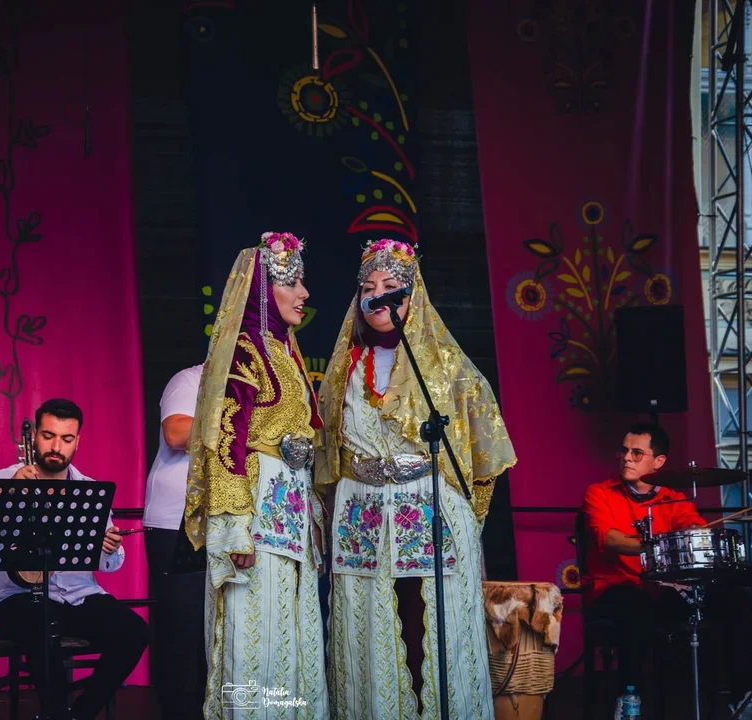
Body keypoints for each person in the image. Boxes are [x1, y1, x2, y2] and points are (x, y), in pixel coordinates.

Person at [315, 238, 516, 720]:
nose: (377, 297)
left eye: (390, 287)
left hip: (427, 506)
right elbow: (327, 455)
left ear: (412, 296)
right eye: (368, 288)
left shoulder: (447, 367)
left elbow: (483, 456)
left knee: (428, 627)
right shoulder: (343, 370)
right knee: (371, 629)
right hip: (361, 511)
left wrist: (470, 523)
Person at [184, 232, 328, 718]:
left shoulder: (285, 351)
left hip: (288, 508)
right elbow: (226, 439)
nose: (304, 293)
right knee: (254, 633)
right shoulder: (245, 350)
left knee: (291, 631)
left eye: (302, 282)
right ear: (263, 291)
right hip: (255, 510)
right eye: (292, 283)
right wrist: (233, 527)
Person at [0, 398, 149, 720]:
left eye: (66, 438)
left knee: (134, 631)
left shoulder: (89, 489)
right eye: (48, 436)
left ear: (78, 441)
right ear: (34, 435)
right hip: (17, 599)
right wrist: (7, 494)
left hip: (79, 596)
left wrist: (109, 548)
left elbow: (112, 565)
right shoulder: (0, 480)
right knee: (42, 628)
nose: (56, 447)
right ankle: (57, 713)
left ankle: (80, 714)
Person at [582, 421, 752, 720]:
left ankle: (742, 700)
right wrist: (657, 547)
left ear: (659, 461)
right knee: (634, 606)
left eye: (637, 453)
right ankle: (629, 698)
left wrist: (693, 545)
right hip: (614, 587)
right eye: (624, 451)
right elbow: (610, 539)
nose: (627, 458)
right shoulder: (599, 493)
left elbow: (694, 532)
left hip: (662, 590)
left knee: (736, 601)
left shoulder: (674, 499)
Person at [143, 363, 206, 719]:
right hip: (175, 523)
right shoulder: (190, 379)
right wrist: (240, 424)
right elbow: (176, 433)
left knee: (217, 638)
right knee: (182, 633)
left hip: (229, 525)